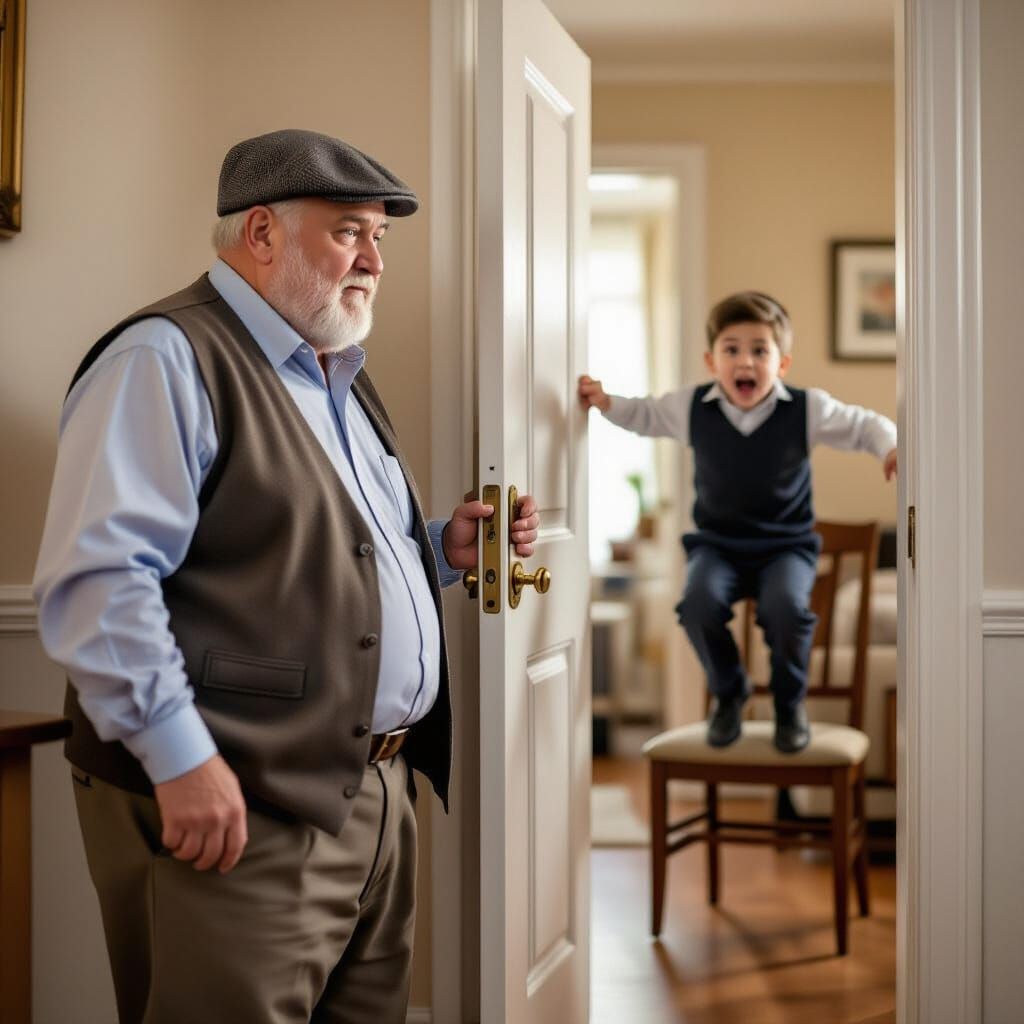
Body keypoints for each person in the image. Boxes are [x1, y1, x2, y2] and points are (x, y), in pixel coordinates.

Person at [33, 128, 540, 1024]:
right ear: (261, 233)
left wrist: (439, 552)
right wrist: (182, 760)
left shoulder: (333, 366)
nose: (375, 261)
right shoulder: (164, 356)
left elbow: (303, 556)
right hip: (236, 800)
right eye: (351, 231)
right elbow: (100, 582)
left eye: (380, 238)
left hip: (375, 794)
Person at [578, 290, 896, 754]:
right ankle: (729, 692)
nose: (745, 361)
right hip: (718, 546)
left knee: (787, 612)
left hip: (786, 547)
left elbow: (864, 424)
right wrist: (607, 402)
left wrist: (889, 446)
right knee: (698, 606)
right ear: (712, 361)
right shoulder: (691, 407)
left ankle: (789, 705)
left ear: (782, 364)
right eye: (732, 350)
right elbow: (644, 414)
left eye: (759, 350)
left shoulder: (807, 408)